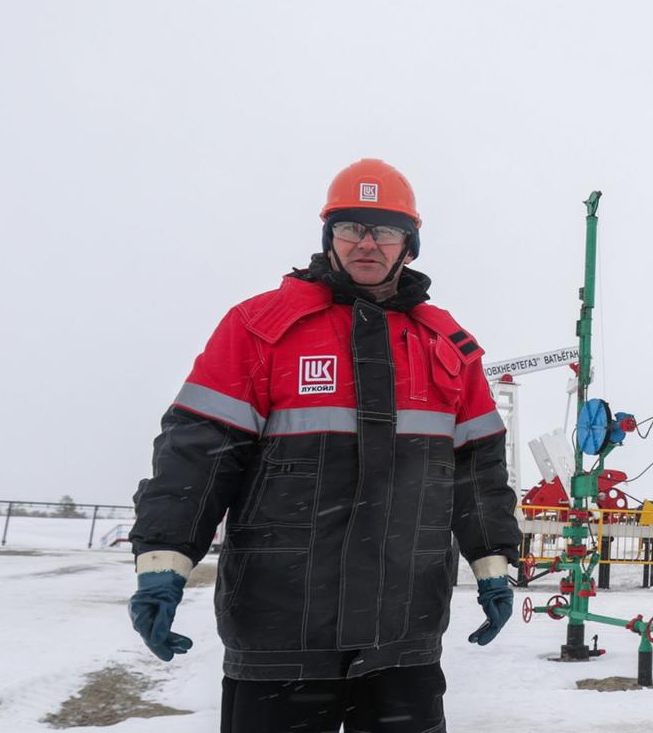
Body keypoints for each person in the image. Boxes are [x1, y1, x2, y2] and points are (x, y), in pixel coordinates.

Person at [127, 159, 522, 733]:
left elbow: (478, 473)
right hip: (281, 631)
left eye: (384, 229)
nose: (367, 243)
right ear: (328, 236)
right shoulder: (260, 327)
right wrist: (162, 561)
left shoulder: (449, 347)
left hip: (402, 634)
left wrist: (493, 563)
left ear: (409, 243)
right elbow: (196, 457)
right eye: (351, 228)